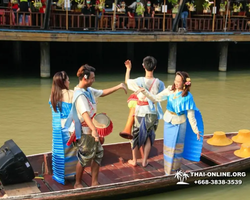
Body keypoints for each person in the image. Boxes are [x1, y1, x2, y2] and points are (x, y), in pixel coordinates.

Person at [64, 64, 127, 188]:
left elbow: (102, 93)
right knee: (84, 156)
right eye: (92, 78)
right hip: (85, 130)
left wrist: (119, 86)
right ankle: (77, 183)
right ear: (85, 78)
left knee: (98, 153)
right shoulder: (80, 95)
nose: (94, 80)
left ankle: (94, 182)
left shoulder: (88, 90)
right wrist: (94, 130)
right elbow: (85, 114)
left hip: (91, 128)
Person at [137, 71, 204, 175]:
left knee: (178, 147)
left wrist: (196, 130)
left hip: (180, 122)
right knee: (168, 147)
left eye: (179, 81)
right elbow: (155, 98)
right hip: (168, 121)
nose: (176, 83)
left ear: (184, 83)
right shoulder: (169, 90)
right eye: (175, 80)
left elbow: (191, 115)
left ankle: (176, 168)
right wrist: (145, 91)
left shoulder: (188, 96)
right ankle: (167, 172)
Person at [124, 56, 165, 167]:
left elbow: (127, 82)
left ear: (143, 66)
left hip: (140, 111)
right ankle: (144, 161)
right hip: (153, 113)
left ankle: (134, 160)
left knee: (135, 135)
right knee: (149, 136)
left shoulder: (139, 81)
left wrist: (128, 69)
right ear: (155, 67)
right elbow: (162, 97)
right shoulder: (159, 83)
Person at [49, 71, 78, 185]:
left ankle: (60, 175)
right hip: (69, 127)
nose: (69, 82)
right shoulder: (71, 93)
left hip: (57, 128)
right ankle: (73, 174)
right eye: (68, 80)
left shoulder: (53, 95)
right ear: (63, 81)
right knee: (73, 152)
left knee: (60, 152)